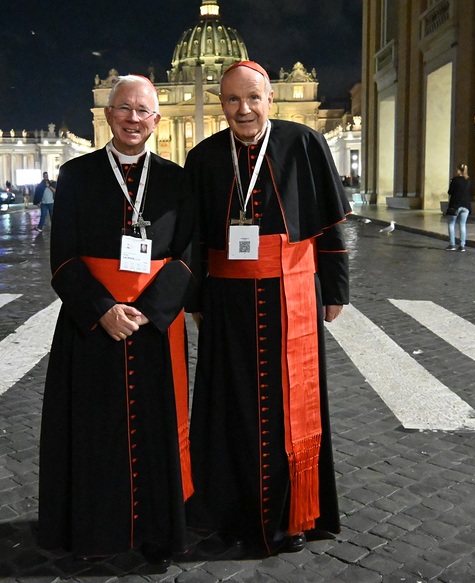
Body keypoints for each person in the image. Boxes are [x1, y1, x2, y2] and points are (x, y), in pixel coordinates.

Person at [184, 61, 350, 557]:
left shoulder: (303, 143)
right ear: (221, 103)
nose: (244, 109)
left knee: (288, 410)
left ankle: (292, 514)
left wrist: (336, 289)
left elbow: (328, 228)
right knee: (229, 406)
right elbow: (193, 241)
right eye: (233, 100)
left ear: (270, 98)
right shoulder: (204, 157)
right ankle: (229, 512)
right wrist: (195, 300)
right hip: (227, 303)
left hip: (291, 295)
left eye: (252, 98)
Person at [37, 75, 195, 565]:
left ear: (157, 119)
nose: (133, 118)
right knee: (93, 431)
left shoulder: (176, 179)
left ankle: (157, 531)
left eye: (143, 110)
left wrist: (148, 312)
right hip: (92, 327)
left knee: (157, 432)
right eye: (123, 108)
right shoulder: (77, 175)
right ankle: (95, 530)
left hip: (153, 327)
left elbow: (188, 257)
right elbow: (62, 258)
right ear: (108, 115)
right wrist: (103, 309)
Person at [445, 164, 472, 251]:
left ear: (459, 170)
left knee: (451, 224)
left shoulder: (454, 180)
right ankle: (462, 245)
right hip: (466, 205)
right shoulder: (468, 180)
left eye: (457, 169)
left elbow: (450, 192)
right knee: (462, 224)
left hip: (455, 205)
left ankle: (452, 244)